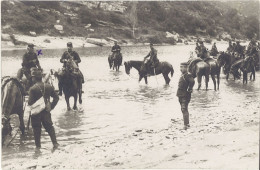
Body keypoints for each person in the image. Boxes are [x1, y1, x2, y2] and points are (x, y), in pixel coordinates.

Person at [28, 69, 59, 151]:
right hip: (46, 111)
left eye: (32, 77)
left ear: (34, 78)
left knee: (36, 129)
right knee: (50, 127)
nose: (32, 79)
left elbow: (30, 102)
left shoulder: (32, 89)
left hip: (36, 113)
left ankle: (38, 147)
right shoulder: (49, 86)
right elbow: (56, 97)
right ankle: (55, 144)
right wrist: (51, 106)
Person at [176, 62, 195, 130]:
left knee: (184, 109)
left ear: (186, 68)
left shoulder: (187, 75)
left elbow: (192, 81)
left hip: (185, 95)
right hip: (181, 95)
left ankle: (186, 125)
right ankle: (187, 123)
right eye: (180, 67)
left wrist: (190, 89)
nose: (181, 68)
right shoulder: (183, 74)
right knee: (183, 109)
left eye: (182, 67)